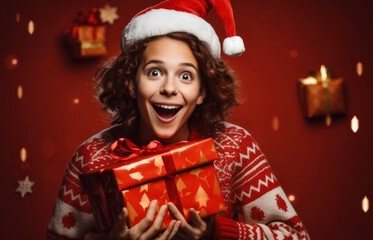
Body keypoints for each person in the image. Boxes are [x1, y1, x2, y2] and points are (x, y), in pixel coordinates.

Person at [47, 0, 310, 239]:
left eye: (186, 76)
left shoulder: (235, 146)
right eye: (154, 72)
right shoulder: (92, 156)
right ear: (130, 82)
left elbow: (296, 236)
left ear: (202, 91)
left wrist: (218, 233)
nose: (170, 88)